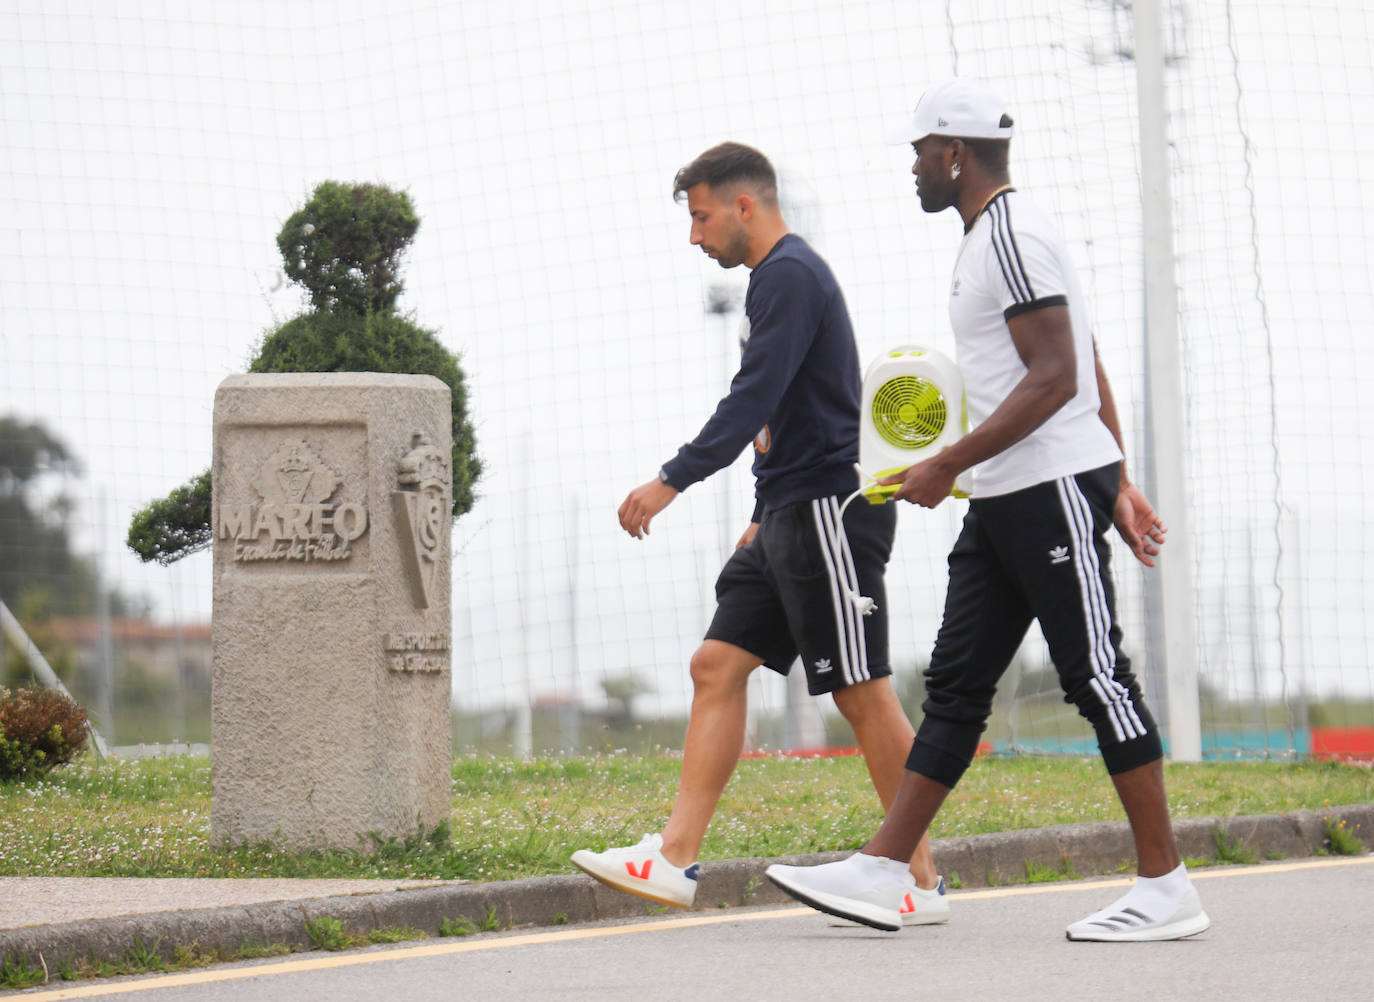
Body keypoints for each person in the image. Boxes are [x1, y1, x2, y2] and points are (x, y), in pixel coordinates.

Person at [766, 79, 1211, 942]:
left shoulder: (1010, 233)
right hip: (1007, 495)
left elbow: (1059, 373)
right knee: (956, 686)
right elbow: (1083, 355)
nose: (912, 167)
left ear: (954, 154)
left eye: (918, 152)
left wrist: (949, 464)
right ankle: (885, 867)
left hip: (1047, 489)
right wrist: (1120, 478)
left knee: (1097, 677)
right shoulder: (987, 239)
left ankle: (1166, 888)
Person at [571, 141, 948, 926]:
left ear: (745, 205)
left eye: (701, 217)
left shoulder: (790, 275)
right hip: (782, 510)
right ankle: (674, 858)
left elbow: (754, 396)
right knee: (715, 665)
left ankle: (916, 879)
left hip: (827, 508)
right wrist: (758, 513)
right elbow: (784, 413)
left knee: (859, 689)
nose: (694, 235)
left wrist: (671, 478)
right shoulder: (772, 282)